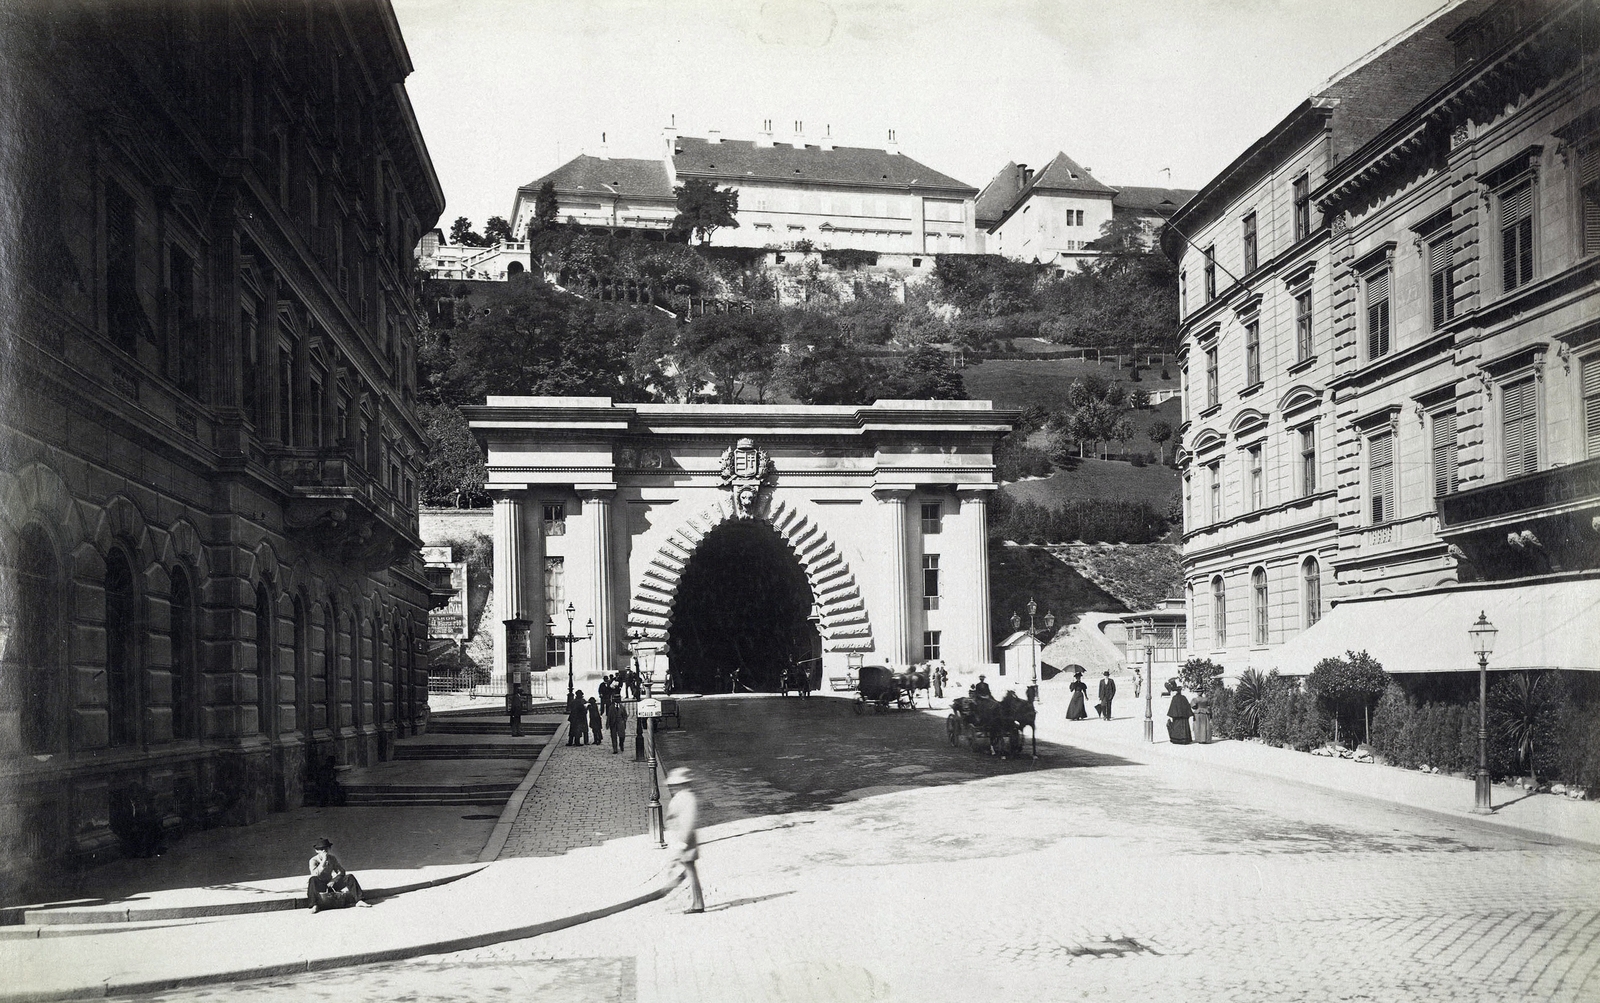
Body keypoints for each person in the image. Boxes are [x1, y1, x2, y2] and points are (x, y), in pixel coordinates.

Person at [664, 768, 704, 914]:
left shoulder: (686, 798)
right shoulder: (685, 797)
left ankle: (698, 904)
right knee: (689, 871)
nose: (673, 787)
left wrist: (681, 844)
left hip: (685, 841)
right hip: (682, 840)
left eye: (676, 784)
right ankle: (697, 902)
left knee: (691, 872)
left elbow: (688, 823)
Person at [307, 837, 368, 913]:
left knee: (349, 877)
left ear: (329, 849)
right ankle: (314, 905)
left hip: (331, 884)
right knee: (312, 880)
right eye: (321, 849)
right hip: (320, 885)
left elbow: (341, 871)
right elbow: (314, 874)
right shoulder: (313, 860)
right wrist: (323, 862)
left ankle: (359, 900)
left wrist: (334, 880)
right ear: (317, 850)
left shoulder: (332, 858)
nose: (324, 851)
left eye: (326, 848)